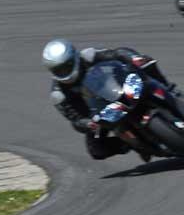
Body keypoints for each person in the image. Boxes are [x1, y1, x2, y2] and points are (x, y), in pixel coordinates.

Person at [41, 39, 172, 161]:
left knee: (146, 63)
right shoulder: (58, 94)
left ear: (74, 57)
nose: (64, 71)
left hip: (117, 88)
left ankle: (168, 88)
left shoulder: (88, 56)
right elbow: (75, 119)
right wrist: (88, 124)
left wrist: (134, 58)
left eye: (67, 66)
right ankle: (131, 143)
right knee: (96, 150)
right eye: (58, 70)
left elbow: (117, 53)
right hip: (100, 114)